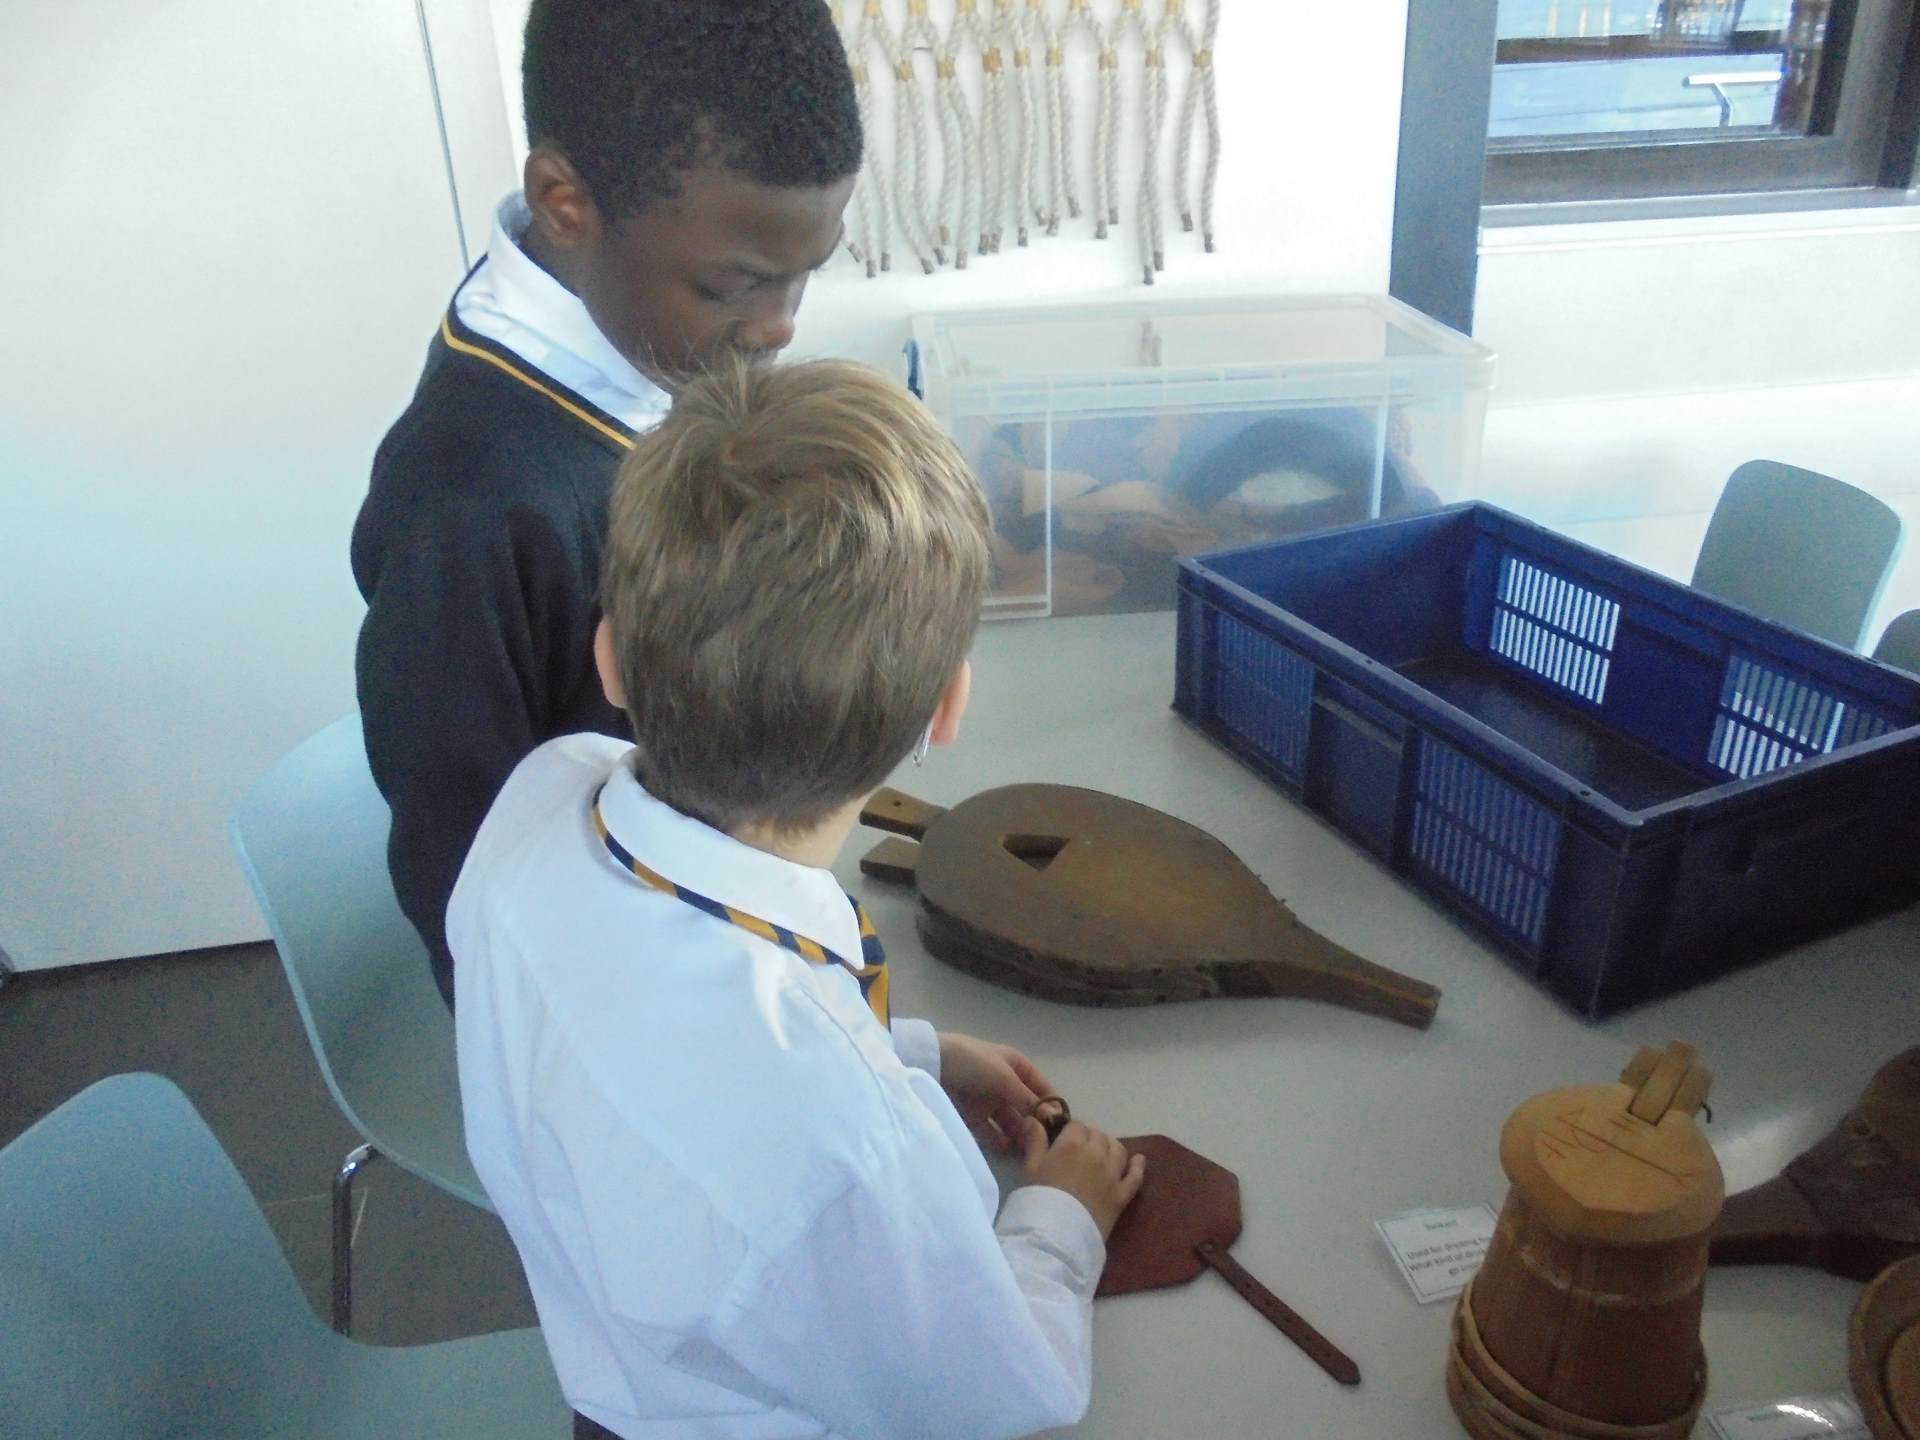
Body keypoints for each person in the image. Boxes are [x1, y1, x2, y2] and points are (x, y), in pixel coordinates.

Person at [451, 359, 1147, 1440]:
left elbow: (662, 1035)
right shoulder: (844, 1148)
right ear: (946, 709)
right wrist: (1061, 1221)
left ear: (610, 660)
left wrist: (909, 1056)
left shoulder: (543, 800)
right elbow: (990, 1397)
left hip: (609, 1353)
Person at [351, 0, 860, 1004]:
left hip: (711, 910)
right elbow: (461, 874)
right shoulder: (467, 499)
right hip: (602, 1015)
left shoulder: (640, 342)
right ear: (565, 203)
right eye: (733, 286)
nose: (779, 328)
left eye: (804, 278)